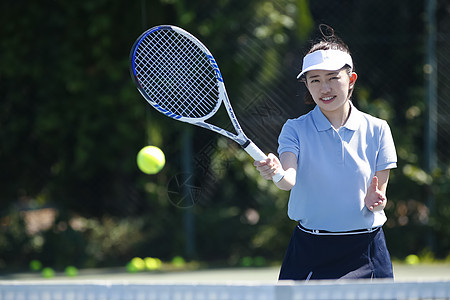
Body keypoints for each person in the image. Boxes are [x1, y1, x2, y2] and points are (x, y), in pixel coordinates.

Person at [254, 25, 397, 281]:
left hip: (367, 249)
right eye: (315, 80)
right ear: (307, 86)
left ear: (351, 79)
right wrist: (276, 172)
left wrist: (378, 200)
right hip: (310, 249)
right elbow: (288, 180)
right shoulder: (294, 129)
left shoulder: (378, 129)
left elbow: (380, 194)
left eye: (333, 77)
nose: (324, 88)